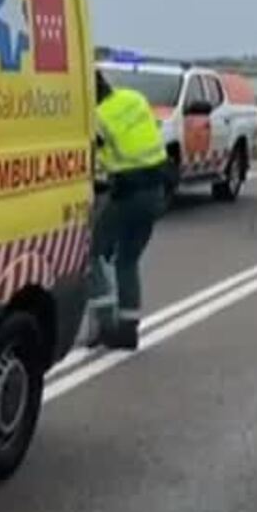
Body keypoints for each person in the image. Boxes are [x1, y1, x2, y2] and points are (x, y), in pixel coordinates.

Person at [90, 71, 170, 349]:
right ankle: (128, 330)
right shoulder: (134, 98)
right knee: (127, 259)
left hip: (129, 192)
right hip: (157, 190)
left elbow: (91, 155)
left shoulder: (97, 119)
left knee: (90, 255)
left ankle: (106, 323)